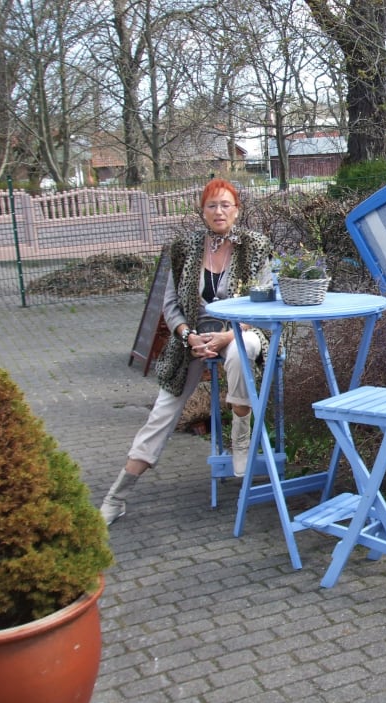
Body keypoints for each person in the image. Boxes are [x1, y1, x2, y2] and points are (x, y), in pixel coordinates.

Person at [100, 179, 272, 525]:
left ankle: (240, 440)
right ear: (202, 211)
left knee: (242, 352)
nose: (219, 211)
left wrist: (227, 337)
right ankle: (116, 496)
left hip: (241, 332)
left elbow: (264, 305)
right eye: (212, 205)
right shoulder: (184, 248)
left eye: (225, 205)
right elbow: (171, 306)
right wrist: (188, 336)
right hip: (193, 341)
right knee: (162, 412)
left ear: (237, 210)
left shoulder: (255, 247)